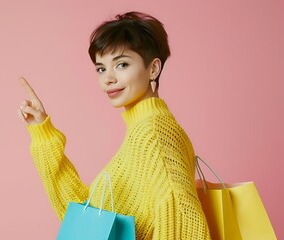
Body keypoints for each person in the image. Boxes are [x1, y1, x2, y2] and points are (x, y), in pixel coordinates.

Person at [18, 11, 211, 239]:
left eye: (121, 65)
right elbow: (86, 220)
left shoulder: (153, 135)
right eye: (101, 68)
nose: (108, 78)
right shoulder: (146, 130)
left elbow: (184, 225)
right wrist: (43, 134)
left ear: (153, 69)